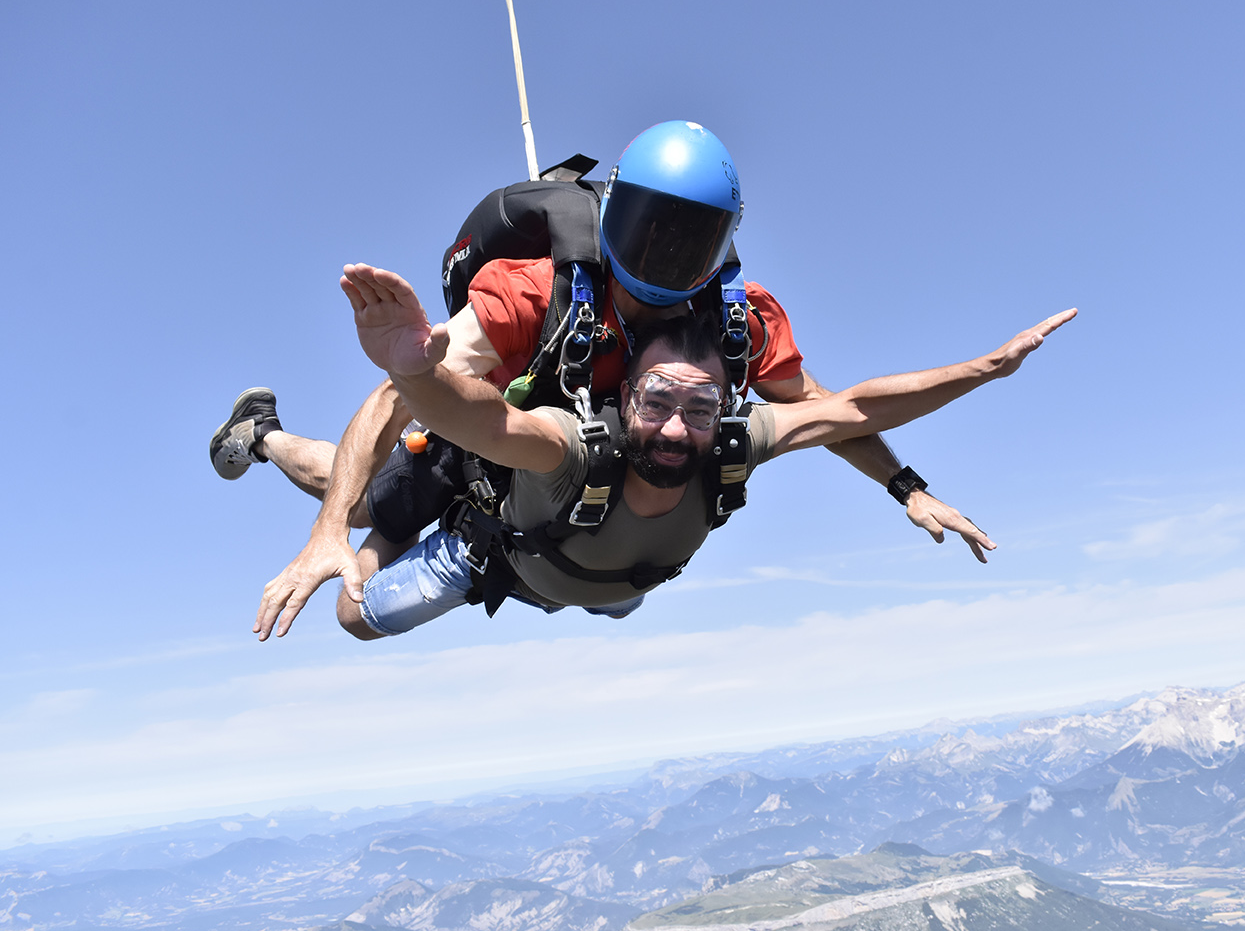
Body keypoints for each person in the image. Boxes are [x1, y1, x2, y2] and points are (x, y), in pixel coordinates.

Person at [214, 122, 991, 639]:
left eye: (690, 242)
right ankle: (264, 432)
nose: (663, 260)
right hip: (479, 449)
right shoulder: (532, 292)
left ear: (723, 243)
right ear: (615, 213)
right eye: (648, 230)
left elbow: (827, 411)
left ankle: (370, 513)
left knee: (606, 590)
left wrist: (907, 487)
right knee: (354, 494)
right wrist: (324, 537)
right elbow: (398, 392)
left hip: (554, 503)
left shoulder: (736, 323)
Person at [319, 263, 1074, 639]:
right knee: (359, 582)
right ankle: (271, 444)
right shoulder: (576, 449)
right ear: (621, 400)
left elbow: (852, 408)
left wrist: (984, 371)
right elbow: (482, 423)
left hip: (596, 577)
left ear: (727, 410)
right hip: (496, 555)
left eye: (701, 407)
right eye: (657, 403)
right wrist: (413, 369)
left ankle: (358, 494)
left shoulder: (730, 447)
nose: (678, 428)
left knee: (616, 594)